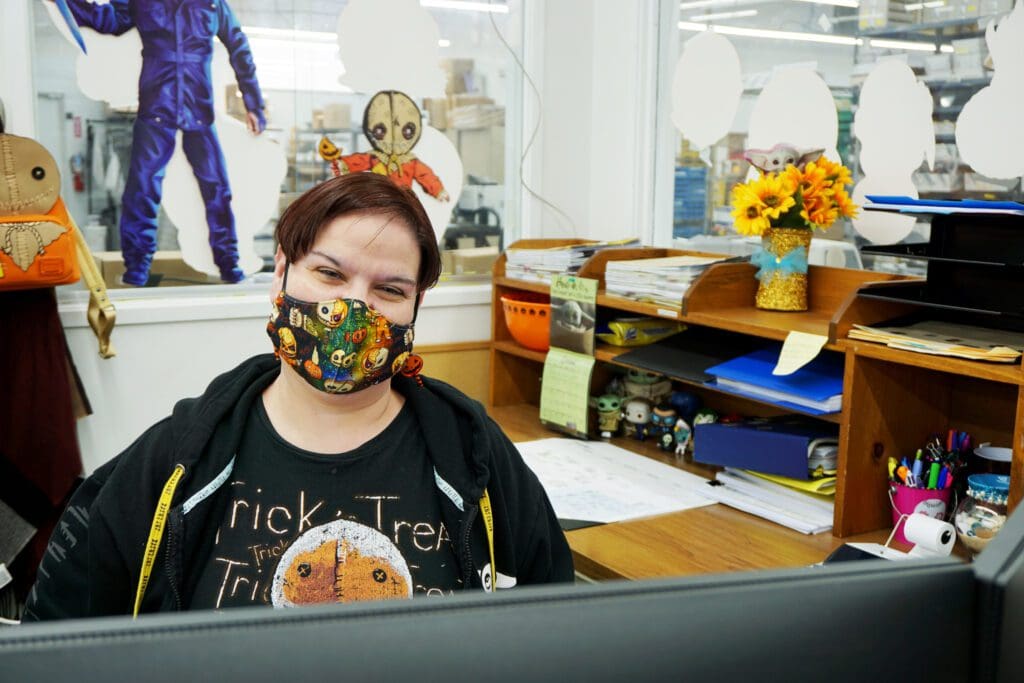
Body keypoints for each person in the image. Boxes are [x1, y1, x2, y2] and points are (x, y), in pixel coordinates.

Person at [23, 173, 573, 619]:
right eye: (330, 273)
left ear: (414, 309)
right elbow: (57, 638)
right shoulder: (175, 462)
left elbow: (560, 625)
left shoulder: (472, 453)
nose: (355, 309)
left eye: (390, 289)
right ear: (281, 274)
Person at [57, 0, 267, 285]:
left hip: (199, 110)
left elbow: (238, 46)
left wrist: (253, 103)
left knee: (217, 189)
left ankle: (229, 266)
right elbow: (107, 20)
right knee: (141, 190)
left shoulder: (214, 4)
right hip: (157, 106)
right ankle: (136, 270)